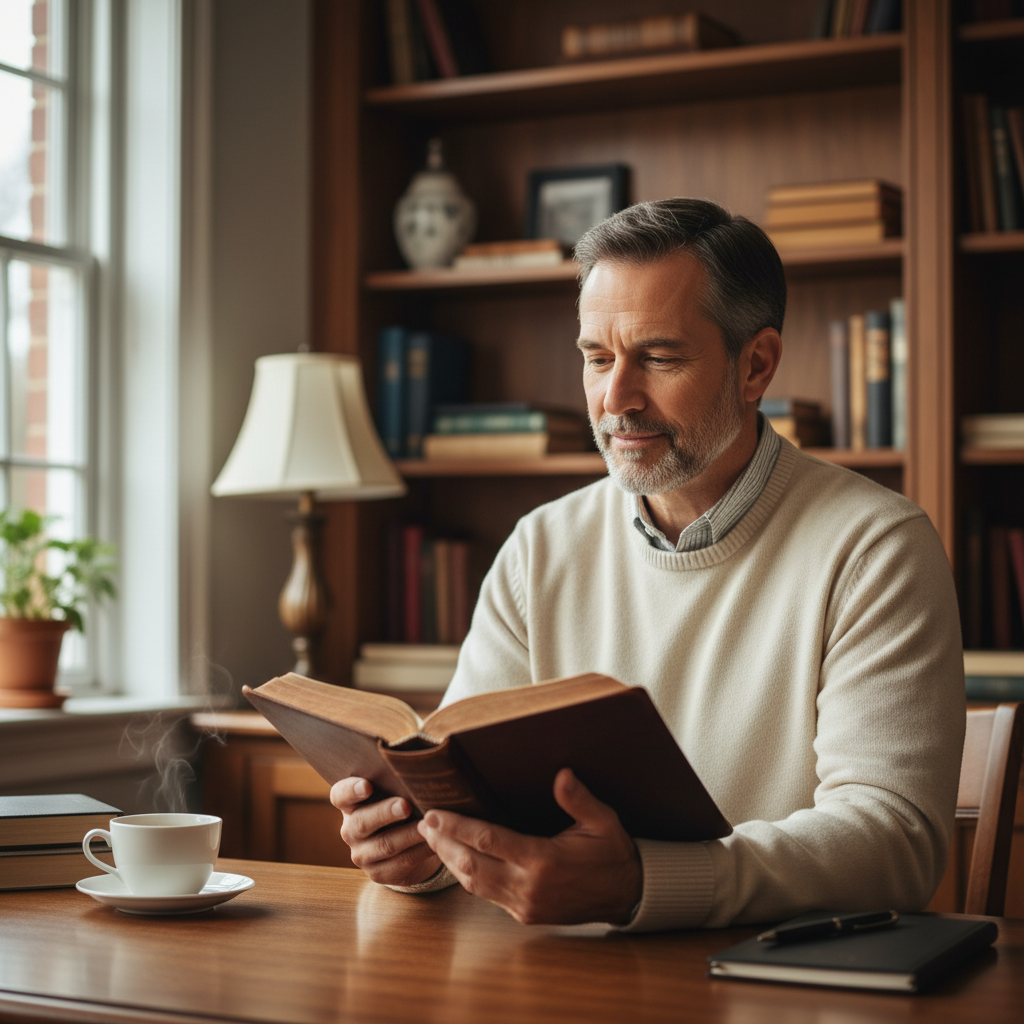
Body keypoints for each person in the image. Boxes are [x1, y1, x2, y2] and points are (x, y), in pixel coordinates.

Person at [331, 198, 965, 932]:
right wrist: (423, 852)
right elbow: (467, 795)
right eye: (596, 358)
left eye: (658, 357)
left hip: (778, 988)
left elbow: (895, 845)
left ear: (755, 365)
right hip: (555, 981)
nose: (615, 399)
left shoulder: (876, 548)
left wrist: (645, 884)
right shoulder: (538, 547)